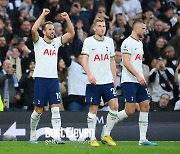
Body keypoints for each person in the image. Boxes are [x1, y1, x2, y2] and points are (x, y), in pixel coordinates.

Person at [29, 8, 74, 144]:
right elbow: (33, 30)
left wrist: (67, 18)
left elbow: (71, 33)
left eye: (53, 29)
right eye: (49, 29)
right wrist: (43, 14)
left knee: (55, 109)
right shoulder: (38, 42)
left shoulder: (56, 43)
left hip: (53, 80)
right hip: (41, 79)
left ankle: (56, 137)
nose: (52, 31)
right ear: (44, 32)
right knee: (38, 110)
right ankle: (32, 133)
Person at [117, 20, 157, 146]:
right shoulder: (127, 42)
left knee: (145, 106)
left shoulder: (140, 43)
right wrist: (138, 76)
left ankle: (143, 139)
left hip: (139, 80)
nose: (145, 31)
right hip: (129, 80)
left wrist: (140, 77)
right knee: (130, 111)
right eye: (143, 29)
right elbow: (126, 63)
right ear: (136, 28)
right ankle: (109, 122)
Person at [81, 15, 119, 147]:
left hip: (107, 81)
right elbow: (83, 60)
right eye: (100, 26)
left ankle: (106, 134)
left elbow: (112, 61)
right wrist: (89, 74)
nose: (102, 28)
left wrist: (114, 79)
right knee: (93, 108)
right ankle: (92, 137)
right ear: (94, 28)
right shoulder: (88, 41)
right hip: (94, 81)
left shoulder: (109, 41)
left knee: (115, 106)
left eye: (104, 26)